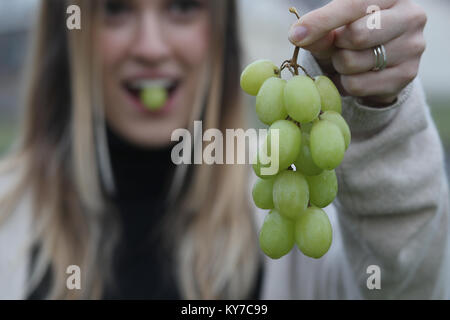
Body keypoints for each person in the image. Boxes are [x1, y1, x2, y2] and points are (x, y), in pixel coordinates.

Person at [0, 0, 448, 299]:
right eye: (116, 9)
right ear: (69, 34)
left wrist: (377, 112)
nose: (151, 48)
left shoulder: (290, 207)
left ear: (221, 36)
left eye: (182, 7)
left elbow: (404, 287)